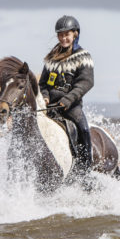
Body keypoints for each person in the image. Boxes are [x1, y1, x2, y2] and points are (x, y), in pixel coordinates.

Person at [39, 15, 94, 173]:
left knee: (83, 129)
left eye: (67, 34)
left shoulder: (83, 56)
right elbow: (42, 83)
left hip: (71, 106)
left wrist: (68, 99)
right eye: (60, 35)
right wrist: (44, 96)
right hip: (49, 105)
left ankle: (85, 169)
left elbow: (86, 82)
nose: (63, 38)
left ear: (75, 34)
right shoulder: (51, 58)